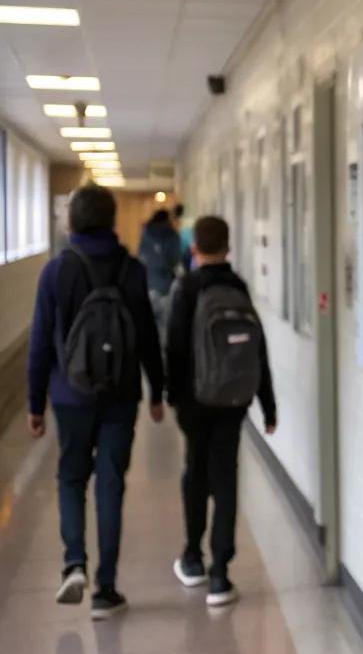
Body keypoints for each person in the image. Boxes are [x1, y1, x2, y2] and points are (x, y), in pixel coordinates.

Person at [27, 183, 165, 617]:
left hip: (70, 396)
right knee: (110, 484)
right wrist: (157, 390)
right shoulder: (132, 269)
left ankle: (74, 563)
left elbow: (40, 344)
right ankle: (106, 589)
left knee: (71, 478)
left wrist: (35, 404)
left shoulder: (55, 271)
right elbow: (146, 336)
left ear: (72, 221)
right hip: (121, 394)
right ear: (111, 220)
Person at [165, 214, 276, 606]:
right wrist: (268, 404)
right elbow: (257, 350)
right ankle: (220, 576)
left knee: (196, 473)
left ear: (194, 248)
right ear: (228, 247)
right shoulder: (238, 287)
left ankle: (193, 557)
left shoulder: (186, 287)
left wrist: (173, 397)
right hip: (234, 400)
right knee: (226, 478)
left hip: (196, 401)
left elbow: (174, 347)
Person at [138, 207, 183, 342]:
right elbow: (175, 260)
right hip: (166, 287)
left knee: (149, 327)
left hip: (149, 285)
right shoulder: (171, 235)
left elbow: (141, 258)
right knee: (167, 328)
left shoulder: (145, 234)